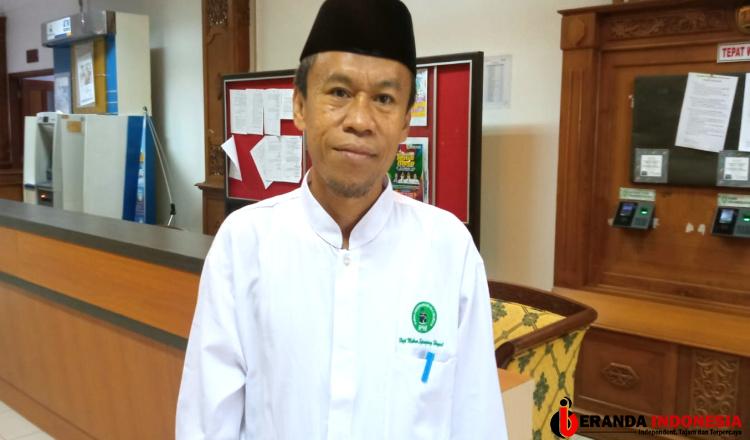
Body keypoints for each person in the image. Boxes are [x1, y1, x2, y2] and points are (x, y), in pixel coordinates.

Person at [175, 0, 508, 438]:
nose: (360, 121)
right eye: (339, 92)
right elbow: (206, 422)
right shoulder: (245, 242)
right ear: (299, 105)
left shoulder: (448, 249)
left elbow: (476, 419)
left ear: (406, 122)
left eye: (384, 99)